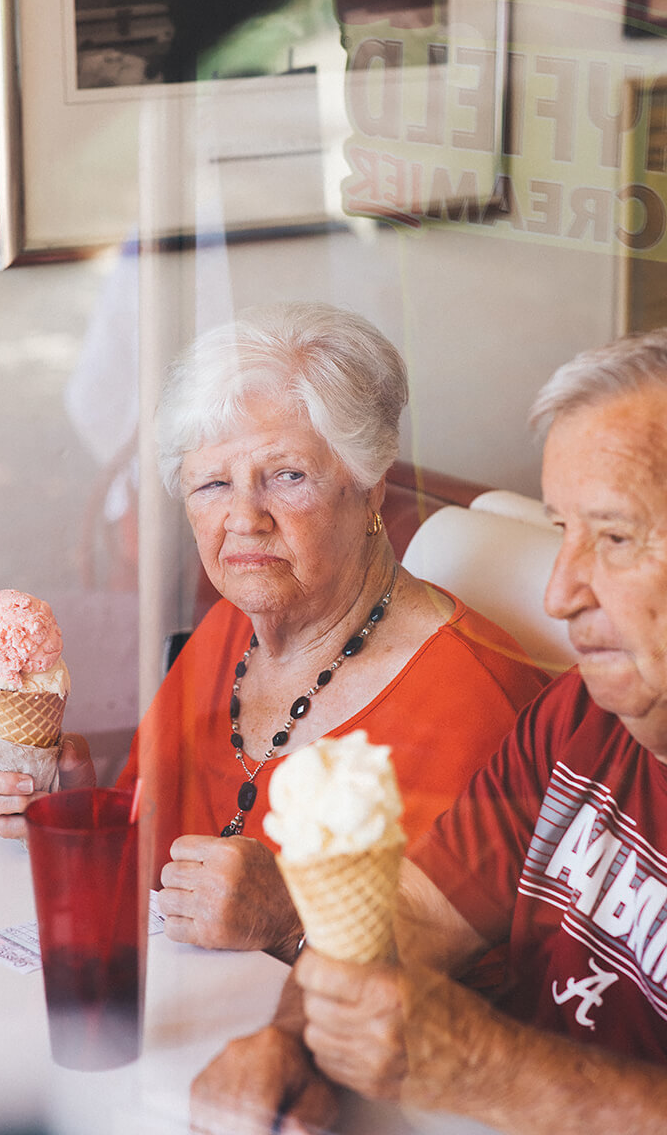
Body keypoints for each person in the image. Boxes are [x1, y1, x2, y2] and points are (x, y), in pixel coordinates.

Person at [190, 330, 667, 1134]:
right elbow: (410, 918)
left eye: (614, 538)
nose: (559, 593)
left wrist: (489, 1070)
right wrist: (290, 1041)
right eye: (562, 533)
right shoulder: (578, 716)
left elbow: (486, 1065)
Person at [0, 302, 547, 964]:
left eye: (287, 476)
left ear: (370, 490)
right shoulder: (229, 630)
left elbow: (473, 988)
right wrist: (70, 808)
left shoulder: (477, 703)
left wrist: (292, 919)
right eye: (213, 482)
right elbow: (157, 856)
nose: (245, 519)